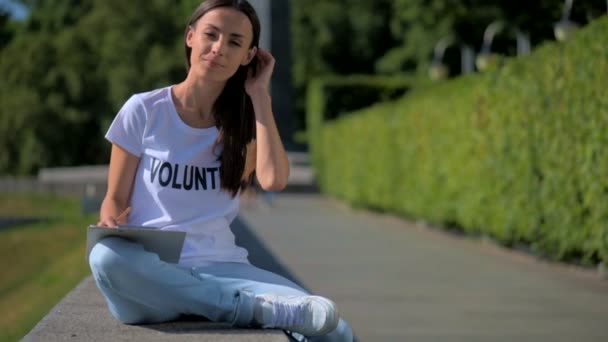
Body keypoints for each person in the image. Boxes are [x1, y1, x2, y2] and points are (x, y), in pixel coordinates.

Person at [88, 0, 354, 341]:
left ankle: (218, 302)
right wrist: (111, 221)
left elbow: (274, 180)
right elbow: (115, 197)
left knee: (335, 331)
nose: (219, 48)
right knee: (106, 257)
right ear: (190, 37)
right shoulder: (144, 110)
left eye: (234, 42)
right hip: (153, 273)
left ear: (248, 56)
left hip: (223, 268)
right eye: (211, 35)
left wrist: (260, 95)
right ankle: (240, 309)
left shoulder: (244, 125)